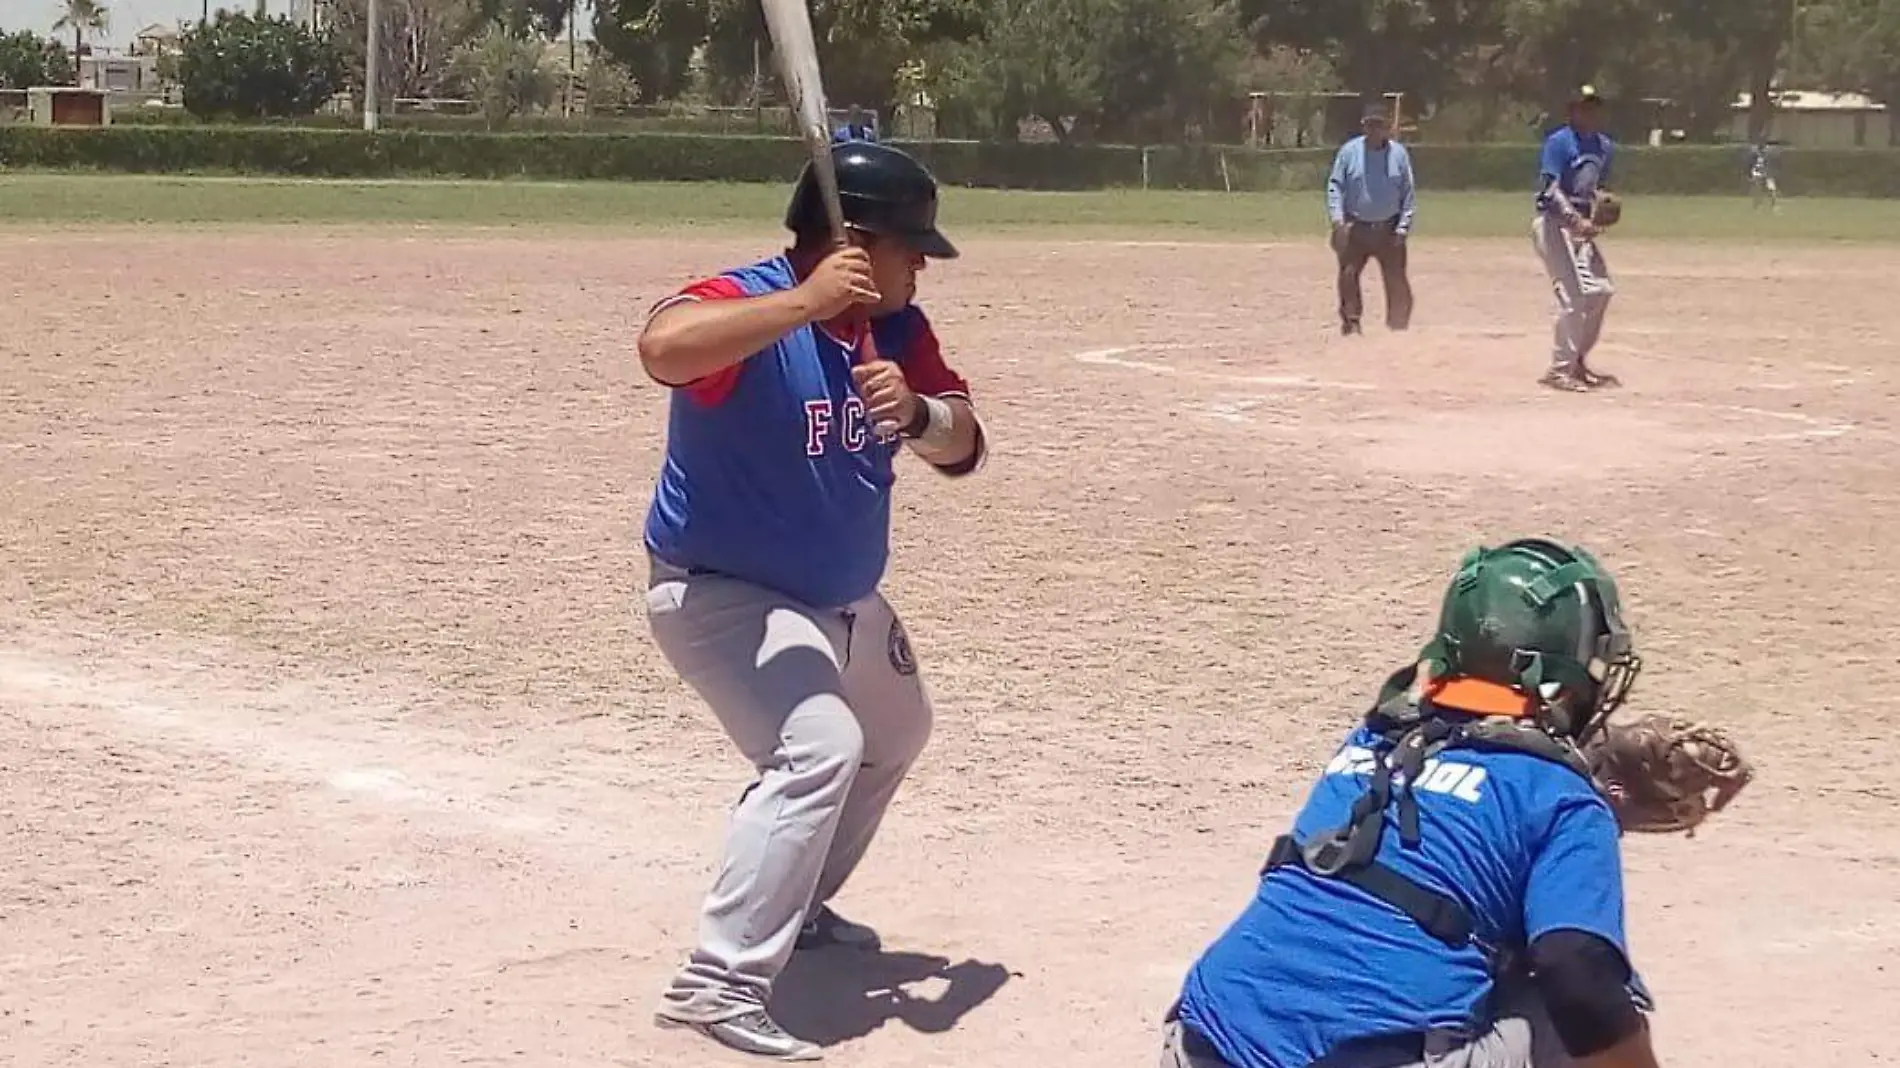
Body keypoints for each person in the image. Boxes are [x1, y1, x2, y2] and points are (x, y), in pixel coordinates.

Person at [637, 140, 986, 1062]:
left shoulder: (897, 332)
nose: (923, 267)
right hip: (725, 594)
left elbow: (965, 445)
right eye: (912, 250)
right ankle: (716, 983)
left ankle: (797, 906)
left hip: (842, 601)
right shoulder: (749, 304)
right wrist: (802, 304)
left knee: (895, 734)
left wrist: (916, 413)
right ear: (859, 249)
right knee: (819, 745)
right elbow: (661, 348)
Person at [1160, 536, 1665, 1068]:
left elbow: (1456, 832)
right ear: (1563, 685)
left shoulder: (1372, 743)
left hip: (1203, 1043)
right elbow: (1576, 970)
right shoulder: (1563, 801)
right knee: (1592, 989)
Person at [1533, 85, 1620, 392]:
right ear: (1571, 111)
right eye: (1584, 107)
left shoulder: (1604, 146)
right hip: (1553, 225)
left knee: (1601, 291)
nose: (1591, 113)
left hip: (1581, 231)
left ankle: (1576, 361)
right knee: (1573, 297)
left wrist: (1602, 206)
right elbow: (1549, 190)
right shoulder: (1559, 142)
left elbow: (1599, 187)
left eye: (1595, 107)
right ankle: (1559, 370)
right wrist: (1575, 219)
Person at [1326, 105, 1416, 335]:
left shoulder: (1399, 155)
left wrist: (1402, 228)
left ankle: (1398, 326)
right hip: (1356, 227)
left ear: (1387, 128)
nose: (1374, 130)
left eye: (1379, 125)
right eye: (1370, 125)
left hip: (1389, 227)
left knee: (1396, 279)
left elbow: (1408, 193)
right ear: (1363, 126)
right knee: (1348, 275)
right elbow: (1335, 186)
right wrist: (1338, 222)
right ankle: (1352, 322)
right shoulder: (1349, 152)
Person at [1745, 140, 1781, 213]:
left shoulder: (1765, 155)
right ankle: (1759, 206)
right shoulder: (1757, 155)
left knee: (1769, 191)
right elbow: (1751, 165)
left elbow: (1768, 165)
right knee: (1760, 191)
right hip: (1760, 174)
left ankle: (1767, 206)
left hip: (1765, 174)